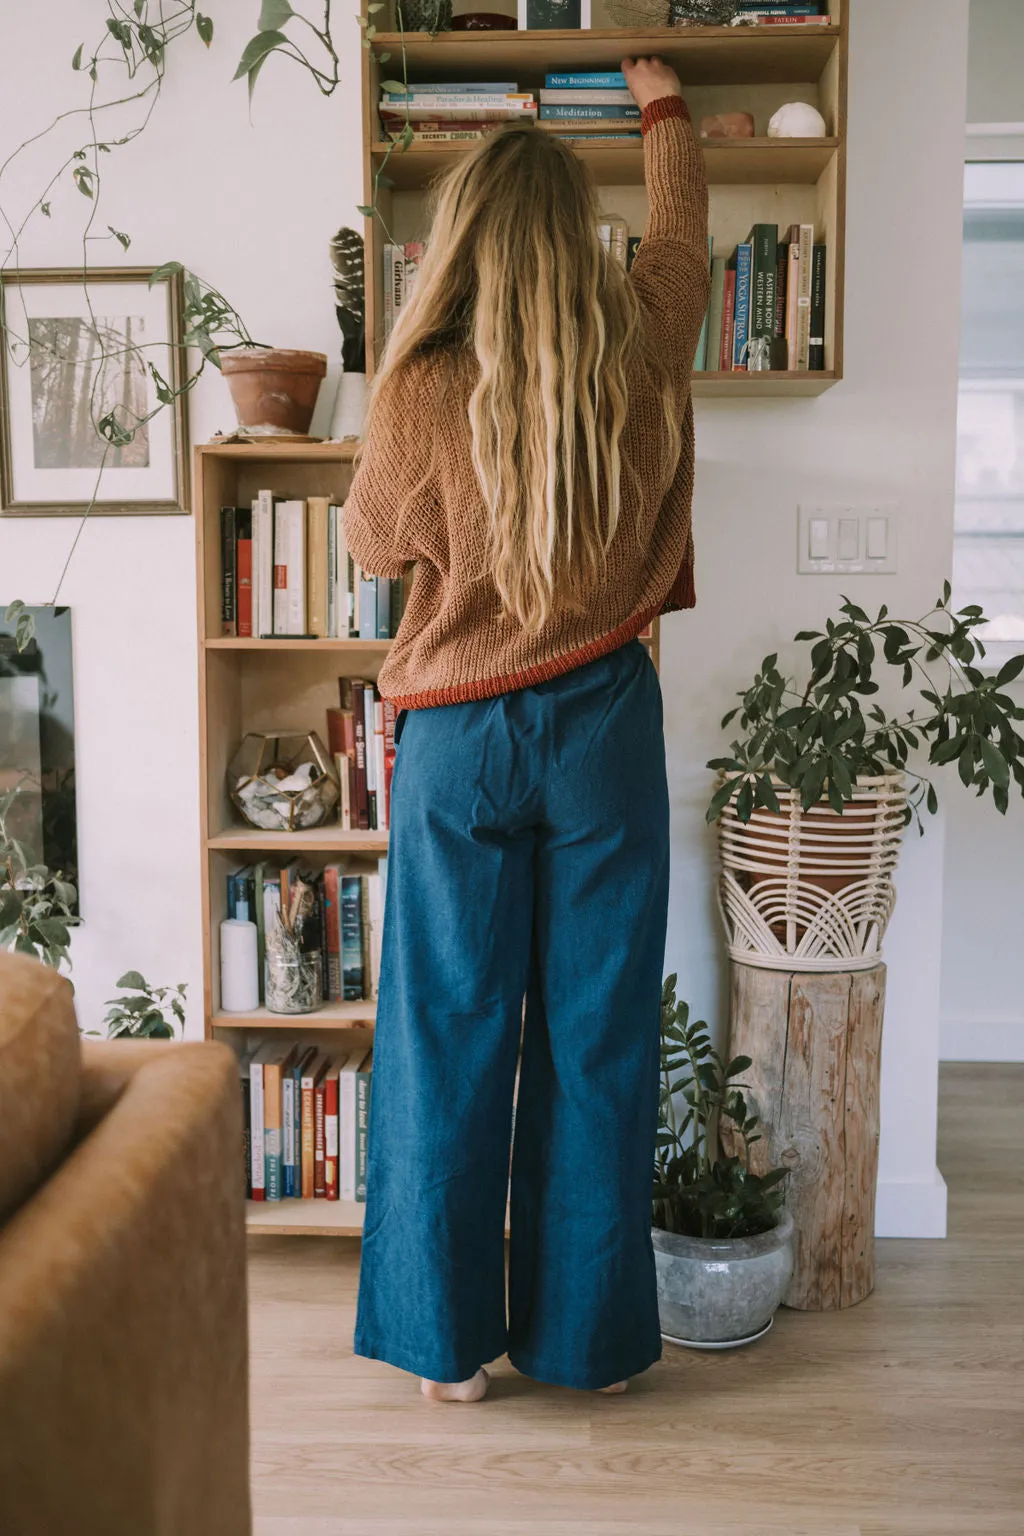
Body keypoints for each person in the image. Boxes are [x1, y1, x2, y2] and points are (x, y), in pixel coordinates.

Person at [343, 56, 709, 1402]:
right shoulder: (650, 340)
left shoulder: (423, 383)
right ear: (577, 243)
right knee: (595, 1036)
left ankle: (448, 1354)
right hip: (606, 720)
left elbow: (379, 542)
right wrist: (662, 108)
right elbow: (681, 239)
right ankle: (590, 1348)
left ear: (466, 243)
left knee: (446, 1032)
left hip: (456, 736)